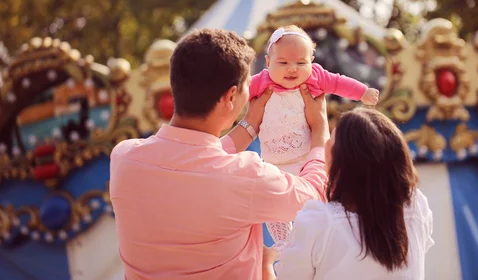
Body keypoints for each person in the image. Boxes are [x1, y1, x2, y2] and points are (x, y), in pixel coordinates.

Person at [109, 29, 330, 279]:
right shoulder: (247, 177)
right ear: (231, 96)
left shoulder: (124, 158)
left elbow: (195, 160)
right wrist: (320, 127)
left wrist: (249, 125)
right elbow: (314, 193)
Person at [249, 25, 380, 247]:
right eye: (283, 63)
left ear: (312, 60)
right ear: (268, 62)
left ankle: (315, 240)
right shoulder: (261, 81)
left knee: (312, 203)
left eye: (301, 63)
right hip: (273, 162)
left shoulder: (315, 78)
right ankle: (282, 241)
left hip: (306, 160)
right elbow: (237, 91)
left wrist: (362, 92)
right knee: (273, 205)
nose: (292, 69)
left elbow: (339, 82)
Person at [267, 108, 434, 280]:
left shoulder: (319, 222)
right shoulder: (416, 207)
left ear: (341, 162)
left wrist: (266, 265)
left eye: (331, 139)